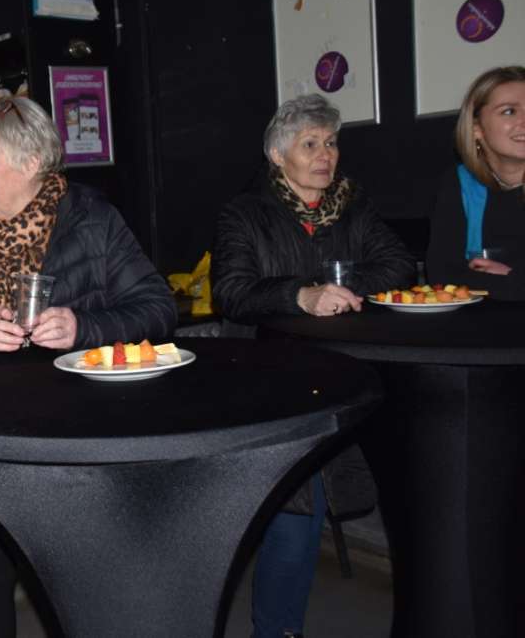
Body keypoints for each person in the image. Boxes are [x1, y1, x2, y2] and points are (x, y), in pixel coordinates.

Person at [0, 96, 177, 636]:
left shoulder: (92, 219)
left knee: (78, 592)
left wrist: (82, 328)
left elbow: (158, 307)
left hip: (73, 442)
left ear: (30, 163)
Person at [211, 94, 414, 638]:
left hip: (348, 374)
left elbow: (399, 264)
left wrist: (341, 288)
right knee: (296, 513)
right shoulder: (245, 213)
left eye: (331, 142)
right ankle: (277, 631)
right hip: (272, 380)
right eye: (310, 144)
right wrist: (300, 295)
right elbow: (230, 292)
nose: (325, 155)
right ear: (278, 156)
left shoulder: (352, 204)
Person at [426, 65, 525, 299]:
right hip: (484, 319)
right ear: (476, 128)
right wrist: (516, 281)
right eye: (509, 111)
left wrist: (510, 278)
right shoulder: (459, 183)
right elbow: (443, 277)